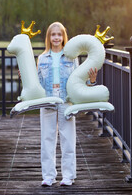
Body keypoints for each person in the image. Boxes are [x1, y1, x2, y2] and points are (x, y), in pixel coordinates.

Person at [37, 22, 97, 186]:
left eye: (59, 34)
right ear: (48, 37)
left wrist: (91, 81)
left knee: (68, 139)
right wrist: (25, 77)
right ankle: (48, 176)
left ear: (64, 37)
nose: (56, 37)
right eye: (53, 34)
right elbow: (37, 84)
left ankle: (68, 176)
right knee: (47, 140)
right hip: (48, 102)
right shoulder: (42, 58)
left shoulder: (72, 58)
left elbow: (78, 82)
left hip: (66, 102)